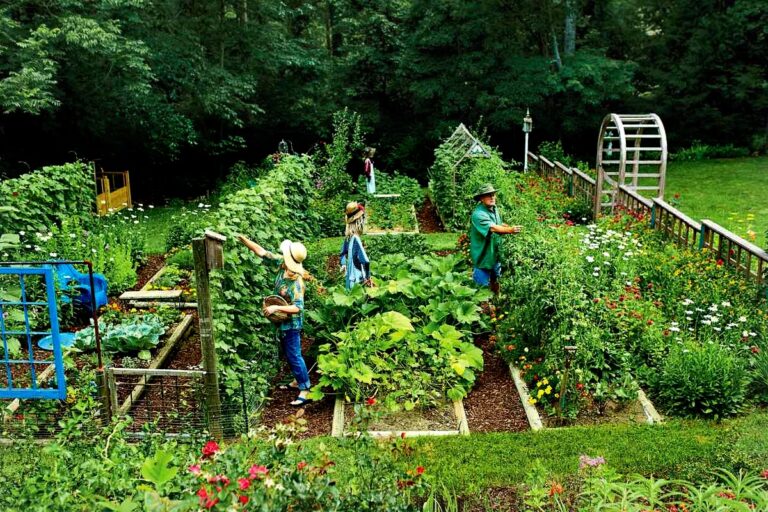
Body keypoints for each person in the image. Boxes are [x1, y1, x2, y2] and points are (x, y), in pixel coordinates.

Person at [237, 235, 311, 406]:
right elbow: (262, 252)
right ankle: (296, 380)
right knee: (288, 353)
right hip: (282, 321)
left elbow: (298, 308)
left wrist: (275, 308)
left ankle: (305, 389)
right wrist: (245, 240)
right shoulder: (281, 264)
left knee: (294, 355)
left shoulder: (296, 283)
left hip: (292, 323)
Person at [469, 183, 522, 294]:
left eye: (493, 194)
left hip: (494, 253)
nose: (492, 197)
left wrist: (506, 226)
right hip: (483, 256)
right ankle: (481, 308)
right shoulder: (478, 214)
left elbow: (497, 223)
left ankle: (495, 302)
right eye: (488, 195)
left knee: (496, 280)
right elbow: (492, 228)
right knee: (480, 290)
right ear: (481, 198)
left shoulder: (494, 208)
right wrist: (510, 230)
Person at [339, 202, 372, 289]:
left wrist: (343, 264)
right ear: (359, 221)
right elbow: (365, 261)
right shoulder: (356, 239)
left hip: (350, 276)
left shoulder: (348, 238)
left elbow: (342, 254)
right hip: (358, 277)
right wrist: (368, 276)